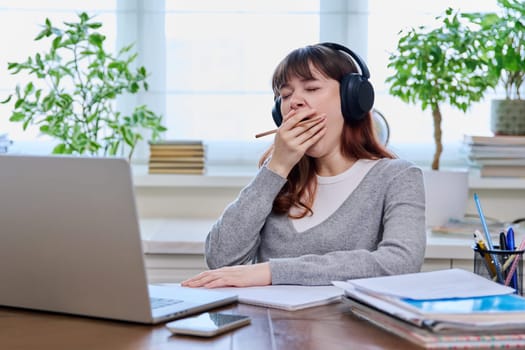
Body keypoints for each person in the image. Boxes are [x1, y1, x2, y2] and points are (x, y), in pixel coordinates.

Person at [182, 43, 426, 288]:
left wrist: (272, 272)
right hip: (271, 325)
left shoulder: (397, 176)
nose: (294, 101)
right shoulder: (276, 176)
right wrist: (276, 167)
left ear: (352, 98)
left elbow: (400, 263)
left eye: (311, 88)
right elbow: (221, 259)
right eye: (285, 95)